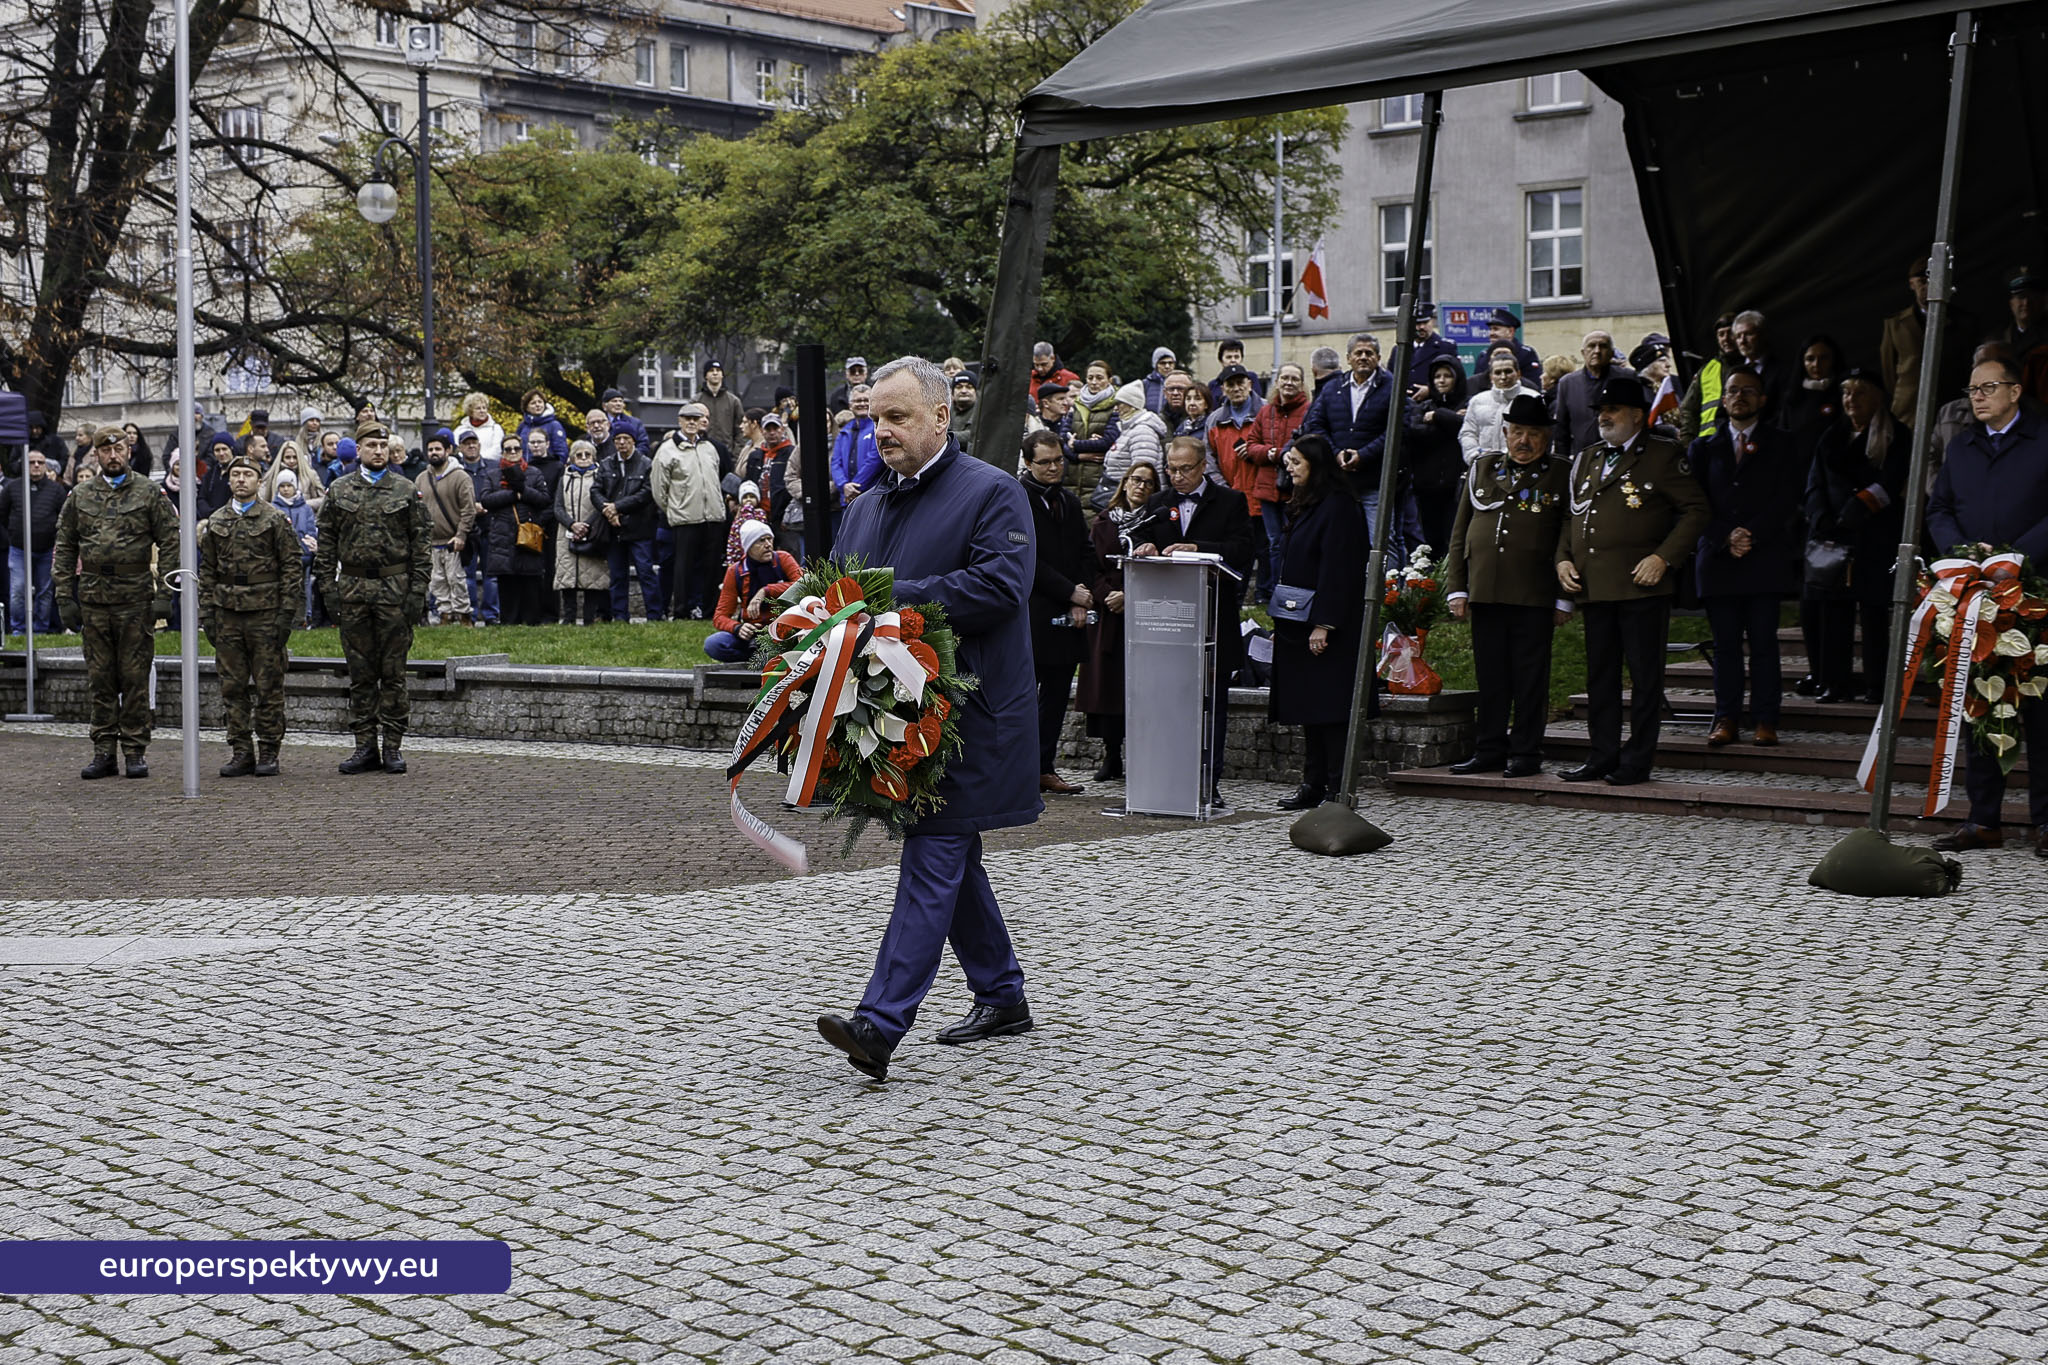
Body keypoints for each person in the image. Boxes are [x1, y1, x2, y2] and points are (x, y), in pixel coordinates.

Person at [816, 355, 1041, 1083]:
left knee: (935, 850)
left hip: (969, 717)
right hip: (895, 721)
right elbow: (841, 598)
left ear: (941, 417)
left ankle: (879, 1024)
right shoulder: (864, 505)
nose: (881, 431)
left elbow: (1001, 586)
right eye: (873, 418)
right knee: (951, 854)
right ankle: (1001, 994)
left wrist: (890, 598)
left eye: (897, 416)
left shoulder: (994, 492)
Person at [1554, 376, 1710, 785]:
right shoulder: (1587, 457)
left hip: (1642, 585)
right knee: (1600, 678)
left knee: (1644, 678)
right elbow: (1571, 515)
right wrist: (1562, 559)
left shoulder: (1661, 455)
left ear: (1638, 415)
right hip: (1594, 586)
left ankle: (1637, 759)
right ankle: (1602, 754)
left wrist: (1664, 557)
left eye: (1613, 410)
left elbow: (1696, 510)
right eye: (1600, 411)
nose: (1603, 417)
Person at [1926, 355, 2048, 856]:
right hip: (1974, 590)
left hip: (2034, 589)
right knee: (1979, 700)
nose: (1976, 397)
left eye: (1988, 388)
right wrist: (1961, 553)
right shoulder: (1962, 445)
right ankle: (1983, 819)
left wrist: (2015, 557)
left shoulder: (2043, 438)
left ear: (2015, 392)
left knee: (2040, 707)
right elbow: (1939, 508)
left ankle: (2046, 821)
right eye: (1972, 389)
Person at [1445, 395, 1573, 777]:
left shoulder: (1561, 473)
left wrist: (1564, 597)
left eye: (1533, 434)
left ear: (1546, 437)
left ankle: (1526, 752)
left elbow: (1569, 535)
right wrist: (1457, 587)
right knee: (1491, 676)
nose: (1523, 441)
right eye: (1517, 432)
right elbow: (1460, 532)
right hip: (1486, 590)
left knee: (1530, 678)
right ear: (1505, 433)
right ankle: (1489, 749)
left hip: (1534, 592)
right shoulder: (1484, 468)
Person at [1133, 435, 1254, 807]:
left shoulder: (1230, 501)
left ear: (1203, 466)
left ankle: (1207, 783)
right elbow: (1140, 536)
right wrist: (1144, 547)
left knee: (1210, 707)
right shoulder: (1158, 502)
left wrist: (1199, 549)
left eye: (1185, 469)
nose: (1177, 476)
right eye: (1171, 469)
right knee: (1166, 704)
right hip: (1165, 624)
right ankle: (1164, 781)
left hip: (1213, 620)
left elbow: (1243, 550)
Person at [54, 427, 179, 778]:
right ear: (96, 454)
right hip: (94, 598)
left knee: (135, 677)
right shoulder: (80, 495)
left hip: (135, 597)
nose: (113, 456)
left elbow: (170, 541)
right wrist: (64, 597)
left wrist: (165, 593)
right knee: (100, 678)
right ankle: (104, 750)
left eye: (119, 449)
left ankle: (135, 750)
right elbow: (64, 546)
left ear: (128, 451)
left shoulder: (148, 491)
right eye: (106, 451)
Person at [1689, 369, 1802, 747]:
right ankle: (1726, 717)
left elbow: (1788, 498)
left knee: (1764, 644)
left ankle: (1766, 719)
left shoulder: (1783, 443)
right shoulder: (1703, 447)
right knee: (1725, 646)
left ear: (1762, 399)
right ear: (1723, 399)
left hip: (1764, 558)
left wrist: (1752, 534)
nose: (1740, 397)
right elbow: (1694, 502)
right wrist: (1725, 536)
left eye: (1748, 391)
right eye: (1733, 391)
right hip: (1718, 561)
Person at [313, 418, 431, 773]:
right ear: (359, 449)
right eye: (371, 446)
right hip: (353, 592)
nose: (379, 451)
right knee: (361, 674)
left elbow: (421, 546)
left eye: (383, 446)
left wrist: (417, 592)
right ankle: (364, 745)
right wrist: (328, 591)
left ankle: (392, 746)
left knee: (393, 673)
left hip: (394, 591)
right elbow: (326, 545)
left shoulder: (405, 490)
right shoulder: (339, 490)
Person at [1265, 433, 1368, 809]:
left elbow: (1339, 569)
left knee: (1331, 709)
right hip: (1298, 620)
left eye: (1296, 462)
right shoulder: (1307, 502)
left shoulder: (1338, 506)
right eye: (1288, 462)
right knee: (1311, 707)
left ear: (1316, 465)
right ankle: (1313, 783)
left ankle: (1337, 787)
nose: (1289, 468)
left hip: (1328, 623)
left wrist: (1325, 623)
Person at [1803, 368, 1910, 704]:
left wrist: (1857, 507)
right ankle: (1835, 682)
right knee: (1834, 611)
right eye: (1847, 392)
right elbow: (1815, 481)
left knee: (1874, 612)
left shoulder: (1897, 435)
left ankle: (1877, 684)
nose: (1851, 399)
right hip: (1834, 537)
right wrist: (1820, 515)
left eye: (1859, 392)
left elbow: (1891, 480)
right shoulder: (1831, 435)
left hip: (1873, 535)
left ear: (1877, 397)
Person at [198, 451, 301, 777]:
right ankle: (241, 750)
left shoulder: (274, 519)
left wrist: (287, 614)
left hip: (265, 614)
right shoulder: (216, 521)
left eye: (248, 475)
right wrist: (207, 613)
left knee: (269, 686)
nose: (241, 480)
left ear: (259, 480)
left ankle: (269, 749)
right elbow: (207, 571)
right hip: (228, 614)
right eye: (236, 475)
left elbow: (291, 568)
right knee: (232, 686)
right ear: (229, 480)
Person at [1301, 332, 1422, 566]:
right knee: (1341, 540)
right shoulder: (1333, 388)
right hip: (1339, 481)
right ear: (1348, 358)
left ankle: (1387, 589)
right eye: (1358, 353)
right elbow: (1315, 424)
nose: (1363, 357)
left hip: (1376, 480)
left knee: (1382, 542)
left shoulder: (1393, 387)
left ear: (1378, 357)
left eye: (1369, 353)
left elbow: (1400, 428)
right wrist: (1335, 452)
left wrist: (1364, 455)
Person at [1076, 462, 1159, 781]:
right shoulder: (1104, 522)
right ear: (1124, 483)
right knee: (1108, 686)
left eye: (1149, 483)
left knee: (1140, 685)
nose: (1141, 486)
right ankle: (1112, 755)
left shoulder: (1156, 523)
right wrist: (1107, 594)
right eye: (1136, 480)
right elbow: (1091, 564)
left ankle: (1142, 756)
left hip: (1143, 611)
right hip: (1108, 612)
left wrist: (1131, 594)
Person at [1021, 430, 1093, 794]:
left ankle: (1043, 767)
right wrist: (1069, 591)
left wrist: (1079, 596)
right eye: (1045, 462)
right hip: (1032, 612)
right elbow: (1026, 558)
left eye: (1059, 461)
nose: (1054, 468)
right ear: (1028, 463)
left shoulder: (1069, 500)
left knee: (1056, 696)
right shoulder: (1017, 498)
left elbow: (1085, 551)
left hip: (1068, 613)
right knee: (1021, 698)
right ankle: (1016, 771)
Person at [652, 402, 729, 619]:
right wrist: (675, 510)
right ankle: (682, 611)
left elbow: (716, 479)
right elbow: (659, 488)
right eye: (688, 419)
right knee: (683, 568)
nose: (692, 423)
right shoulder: (667, 450)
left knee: (712, 567)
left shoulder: (709, 448)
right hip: (685, 518)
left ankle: (709, 610)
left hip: (712, 516)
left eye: (696, 419)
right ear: (680, 421)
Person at [1242, 362, 1312, 583]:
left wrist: (1286, 455)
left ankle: (1293, 586)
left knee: (1295, 542)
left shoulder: (1309, 411)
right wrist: (1272, 453)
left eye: (1294, 379)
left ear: (1302, 383)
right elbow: (1251, 445)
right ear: (1277, 381)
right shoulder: (1266, 411)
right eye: (1285, 378)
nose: (1289, 382)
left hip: (1296, 488)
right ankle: (1274, 589)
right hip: (1267, 488)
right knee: (1273, 542)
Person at [475, 439, 551, 626]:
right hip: (502, 535)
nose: (512, 452)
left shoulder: (534, 473)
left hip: (528, 533)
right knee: (506, 581)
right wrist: (512, 495)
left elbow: (544, 499)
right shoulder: (493, 475)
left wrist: (523, 490)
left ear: (522, 451)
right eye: (508, 449)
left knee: (530, 580)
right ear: (502, 452)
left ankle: (531, 621)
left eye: (516, 448)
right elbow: (486, 500)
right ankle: (509, 622)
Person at [1207, 362, 1267, 596]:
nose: (1236, 388)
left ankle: (1264, 595)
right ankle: (1237, 595)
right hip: (1231, 497)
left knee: (1266, 548)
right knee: (1237, 549)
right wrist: (1224, 490)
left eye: (1240, 383)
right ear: (1223, 389)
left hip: (1263, 495)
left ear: (1250, 384)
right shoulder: (1215, 419)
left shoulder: (1265, 412)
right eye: (1230, 384)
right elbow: (1209, 460)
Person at [703, 520, 800, 663]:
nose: (768, 544)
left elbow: (802, 585)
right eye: (761, 541)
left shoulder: (783, 558)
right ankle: (753, 661)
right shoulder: (735, 571)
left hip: (783, 631)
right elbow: (720, 616)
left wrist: (766, 591)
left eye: (769, 539)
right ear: (748, 547)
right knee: (713, 644)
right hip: (752, 635)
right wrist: (738, 628)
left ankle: (762, 659)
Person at [594, 423, 661, 622]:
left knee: (646, 572)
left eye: (626, 439)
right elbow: (596, 491)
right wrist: (608, 511)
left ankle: (655, 615)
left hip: (640, 527)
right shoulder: (606, 464)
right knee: (617, 575)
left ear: (634, 441)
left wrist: (618, 507)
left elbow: (646, 494)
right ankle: (620, 616)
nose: (622, 442)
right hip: (614, 528)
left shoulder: (646, 464)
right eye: (618, 439)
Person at [1409, 357, 1470, 556]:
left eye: (1447, 376)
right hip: (1428, 486)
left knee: (1455, 538)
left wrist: (1438, 416)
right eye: (1437, 376)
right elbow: (1417, 432)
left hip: (1457, 485)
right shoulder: (1423, 406)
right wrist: (1451, 420)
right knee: (1431, 540)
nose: (1441, 380)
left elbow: (1465, 428)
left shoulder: (1468, 403)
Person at [417, 428, 477, 627]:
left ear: (448, 450)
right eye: (430, 450)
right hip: (431, 541)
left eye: (438, 449)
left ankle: (464, 616)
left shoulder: (460, 477)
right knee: (437, 581)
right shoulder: (421, 479)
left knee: (456, 580)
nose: (434, 453)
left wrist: (461, 535)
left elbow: (468, 509)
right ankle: (445, 614)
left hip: (453, 541)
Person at [3, 449, 65, 633]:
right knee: (18, 590)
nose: (36, 465)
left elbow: (64, 517)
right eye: (31, 462)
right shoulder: (12, 488)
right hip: (19, 549)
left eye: (40, 462)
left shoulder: (56, 490)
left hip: (46, 549)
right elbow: (2, 514)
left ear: (46, 466)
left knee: (45, 592)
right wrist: (13, 532)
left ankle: (40, 630)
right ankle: (19, 630)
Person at [552, 439, 611, 625]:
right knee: (567, 576)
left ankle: (589, 618)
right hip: (567, 533)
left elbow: (602, 504)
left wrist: (586, 526)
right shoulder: (564, 478)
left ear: (594, 457)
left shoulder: (601, 477)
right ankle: (569, 618)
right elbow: (558, 507)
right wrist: (572, 524)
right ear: (572, 458)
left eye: (588, 454)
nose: (584, 458)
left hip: (593, 533)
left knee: (592, 576)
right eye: (579, 455)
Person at [1552, 331, 1635, 460]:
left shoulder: (1627, 377)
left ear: (1611, 353)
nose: (1597, 351)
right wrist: (1562, 462)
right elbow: (1561, 430)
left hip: (1622, 456)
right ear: (1583, 352)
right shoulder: (1568, 383)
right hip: (1584, 458)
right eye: (1591, 346)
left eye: (1603, 346)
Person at [1093, 381, 1167, 511]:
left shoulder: (1142, 432)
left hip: (1132, 505)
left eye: (1119, 403)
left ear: (1132, 405)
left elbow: (1142, 474)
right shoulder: (1129, 429)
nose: (1116, 409)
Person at [1460, 351, 1542, 469]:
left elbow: (1539, 435)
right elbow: (1467, 432)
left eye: (1508, 371)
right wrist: (1475, 455)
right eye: (1498, 373)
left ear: (1518, 374)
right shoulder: (1477, 401)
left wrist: (1510, 458)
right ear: (1491, 377)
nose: (1503, 377)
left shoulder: (1533, 398)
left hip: (1522, 467)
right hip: (1483, 467)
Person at [271, 469, 318, 629]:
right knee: (282, 588)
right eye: (282, 486)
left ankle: (302, 619)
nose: (285, 489)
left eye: (289, 485)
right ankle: (282, 620)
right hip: (282, 557)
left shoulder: (306, 509)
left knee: (302, 588)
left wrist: (308, 549)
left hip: (303, 556)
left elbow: (311, 531)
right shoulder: (273, 508)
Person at [831, 383, 882, 510]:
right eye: (858, 400)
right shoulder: (844, 432)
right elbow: (835, 462)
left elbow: (875, 460)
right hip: (847, 499)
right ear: (850, 405)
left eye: (866, 400)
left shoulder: (878, 428)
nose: (862, 404)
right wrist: (844, 486)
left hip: (871, 498)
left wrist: (855, 487)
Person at [1405, 302, 1461, 402]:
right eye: (1417, 324)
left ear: (1432, 322)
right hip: (1405, 404)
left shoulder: (1446, 348)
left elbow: (1457, 378)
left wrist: (1430, 390)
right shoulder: (1400, 350)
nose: (1422, 327)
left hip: (1434, 403)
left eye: (1425, 323)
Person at [1474, 308, 1542, 388]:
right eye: (1490, 329)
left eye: (1496, 329)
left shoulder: (1526, 354)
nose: (1491, 333)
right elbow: (1476, 385)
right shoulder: (1484, 356)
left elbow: (1534, 385)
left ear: (1510, 332)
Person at [698, 360, 746, 458]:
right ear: (706, 375)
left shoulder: (734, 401)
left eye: (718, 370)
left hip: (727, 455)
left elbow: (740, 430)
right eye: (711, 370)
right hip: (702, 454)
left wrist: (735, 454)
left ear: (722, 375)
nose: (715, 373)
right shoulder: (696, 401)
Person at [515, 389, 571, 465]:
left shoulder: (554, 425)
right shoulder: (522, 426)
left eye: (540, 402)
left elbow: (561, 451)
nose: (537, 405)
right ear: (526, 408)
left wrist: (556, 468)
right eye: (533, 403)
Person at [1205, 338, 1264, 409]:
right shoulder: (1213, 385)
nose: (1233, 360)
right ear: (1221, 360)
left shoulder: (1251, 377)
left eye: (1236, 357)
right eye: (1228, 357)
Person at [2006, 269, 2047, 362]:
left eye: (2033, 297)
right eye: (2021, 297)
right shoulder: (2001, 338)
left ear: (2043, 301)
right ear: (2011, 303)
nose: (2026, 303)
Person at [454, 392, 504, 463]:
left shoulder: (495, 429)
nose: (482, 411)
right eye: (478, 408)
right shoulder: (460, 430)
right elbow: (457, 449)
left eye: (484, 408)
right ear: (471, 411)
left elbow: (497, 450)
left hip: (490, 466)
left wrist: (478, 459)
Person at [600, 388, 649, 453]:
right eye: (614, 401)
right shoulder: (599, 424)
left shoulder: (635, 423)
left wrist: (630, 456)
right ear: (604, 406)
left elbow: (643, 445)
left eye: (620, 401)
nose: (618, 404)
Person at [1141, 345, 1178, 412]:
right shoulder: (1145, 384)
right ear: (1156, 365)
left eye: (1170, 363)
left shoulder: (1179, 383)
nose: (1167, 366)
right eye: (1163, 363)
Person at [947, 371, 978, 446]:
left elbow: (975, 435)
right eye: (959, 387)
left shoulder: (982, 411)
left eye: (969, 387)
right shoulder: (944, 410)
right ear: (952, 392)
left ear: (976, 392)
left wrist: (945, 436)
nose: (964, 391)